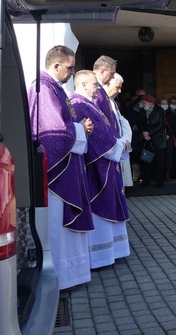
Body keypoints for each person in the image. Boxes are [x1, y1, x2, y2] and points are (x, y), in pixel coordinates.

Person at [27, 45, 94, 291]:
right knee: (57, 222)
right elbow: (53, 132)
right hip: (57, 172)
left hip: (68, 164)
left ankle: (70, 275)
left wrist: (78, 126)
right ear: (56, 66)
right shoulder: (44, 87)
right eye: (70, 67)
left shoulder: (55, 88)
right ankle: (59, 277)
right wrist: (80, 129)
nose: (72, 72)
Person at [70, 70, 130, 269]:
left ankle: (112, 251)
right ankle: (100, 256)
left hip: (105, 161)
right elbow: (97, 137)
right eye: (95, 84)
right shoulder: (79, 104)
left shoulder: (88, 103)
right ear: (84, 84)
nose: (98, 88)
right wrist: (119, 146)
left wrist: (119, 141)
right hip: (96, 166)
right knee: (101, 206)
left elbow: (106, 130)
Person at [104, 72, 133, 187]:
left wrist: (126, 139)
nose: (120, 91)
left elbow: (123, 122)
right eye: (118, 87)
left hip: (119, 146)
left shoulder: (112, 102)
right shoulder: (101, 101)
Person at [138, 94, 167, 188]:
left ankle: (160, 182)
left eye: (144, 102)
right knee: (146, 161)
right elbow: (140, 124)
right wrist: (144, 133)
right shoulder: (142, 111)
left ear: (150, 104)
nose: (143, 104)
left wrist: (149, 133)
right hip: (147, 140)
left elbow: (160, 125)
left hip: (158, 140)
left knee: (159, 163)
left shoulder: (159, 111)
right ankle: (145, 181)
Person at [161, 97, 176, 181]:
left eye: (165, 104)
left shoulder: (171, 114)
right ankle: (160, 174)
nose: (164, 105)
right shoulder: (157, 113)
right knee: (160, 156)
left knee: (168, 156)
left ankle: (167, 173)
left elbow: (174, 127)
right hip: (159, 138)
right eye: (162, 104)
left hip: (169, 138)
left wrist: (169, 135)